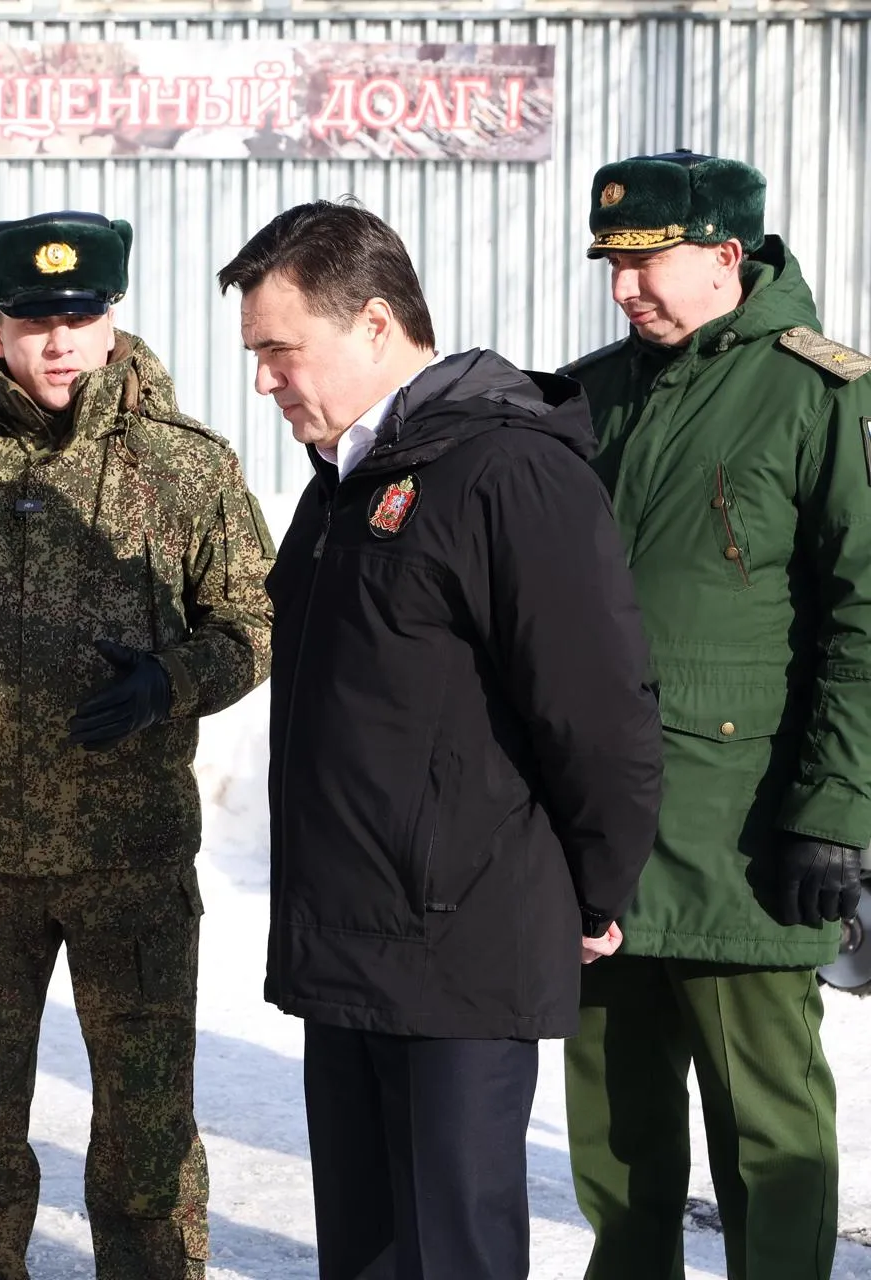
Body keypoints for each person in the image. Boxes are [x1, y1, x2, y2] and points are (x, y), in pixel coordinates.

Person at [0, 210, 274, 1279]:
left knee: (145, 1126)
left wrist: (175, 679)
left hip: (133, 860)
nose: (59, 340)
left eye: (80, 315)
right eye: (34, 318)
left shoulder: (186, 468)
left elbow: (254, 619)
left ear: (111, 318)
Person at [220, 199, 664, 1280]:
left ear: (375, 324)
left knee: (452, 1253)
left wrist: (596, 891)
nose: (266, 378)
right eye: (256, 354)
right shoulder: (344, 484)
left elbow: (599, 714)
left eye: (283, 349)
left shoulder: (506, 472)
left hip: (459, 946)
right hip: (352, 946)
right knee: (368, 1255)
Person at [559, 150, 871, 1280]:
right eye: (614, 265)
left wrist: (835, 808)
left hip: (745, 836)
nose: (627, 287)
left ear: (726, 258)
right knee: (615, 1136)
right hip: (601, 834)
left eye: (649, 264)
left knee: (769, 1138)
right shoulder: (586, 395)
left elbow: (864, 615)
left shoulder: (821, 392)